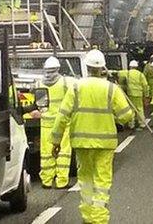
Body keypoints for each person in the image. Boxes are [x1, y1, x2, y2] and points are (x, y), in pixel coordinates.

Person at [52, 49, 134, 224]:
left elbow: (62, 115)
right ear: (102, 68)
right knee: (102, 182)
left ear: (87, 66)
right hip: (105, 144)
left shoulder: (75, 87)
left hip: (81, 143)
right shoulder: (112, 89)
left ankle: (88, 217)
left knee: (86, 180)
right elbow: (126, 115)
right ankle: (99, 218)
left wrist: (56, 140)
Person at [38, 57, 76, 189]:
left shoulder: (39, 84)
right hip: (63, 123)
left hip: (46, 124)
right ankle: (61, 181)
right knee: (64, 152)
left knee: (46, 153)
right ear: (58, 68)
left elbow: (39, 105)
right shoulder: (66, 82)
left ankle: (46, 180)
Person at [117, 60, 149, 131]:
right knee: (140, 109)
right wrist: (146, 95)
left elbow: (118, 73)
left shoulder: (127, 73)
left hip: (130, 93)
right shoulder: (140, 74)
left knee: (131, 109)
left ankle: (131, 124)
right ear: (136, 67)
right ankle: (142, 124)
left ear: (130, 66)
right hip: (139, 94)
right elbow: (145, 85)